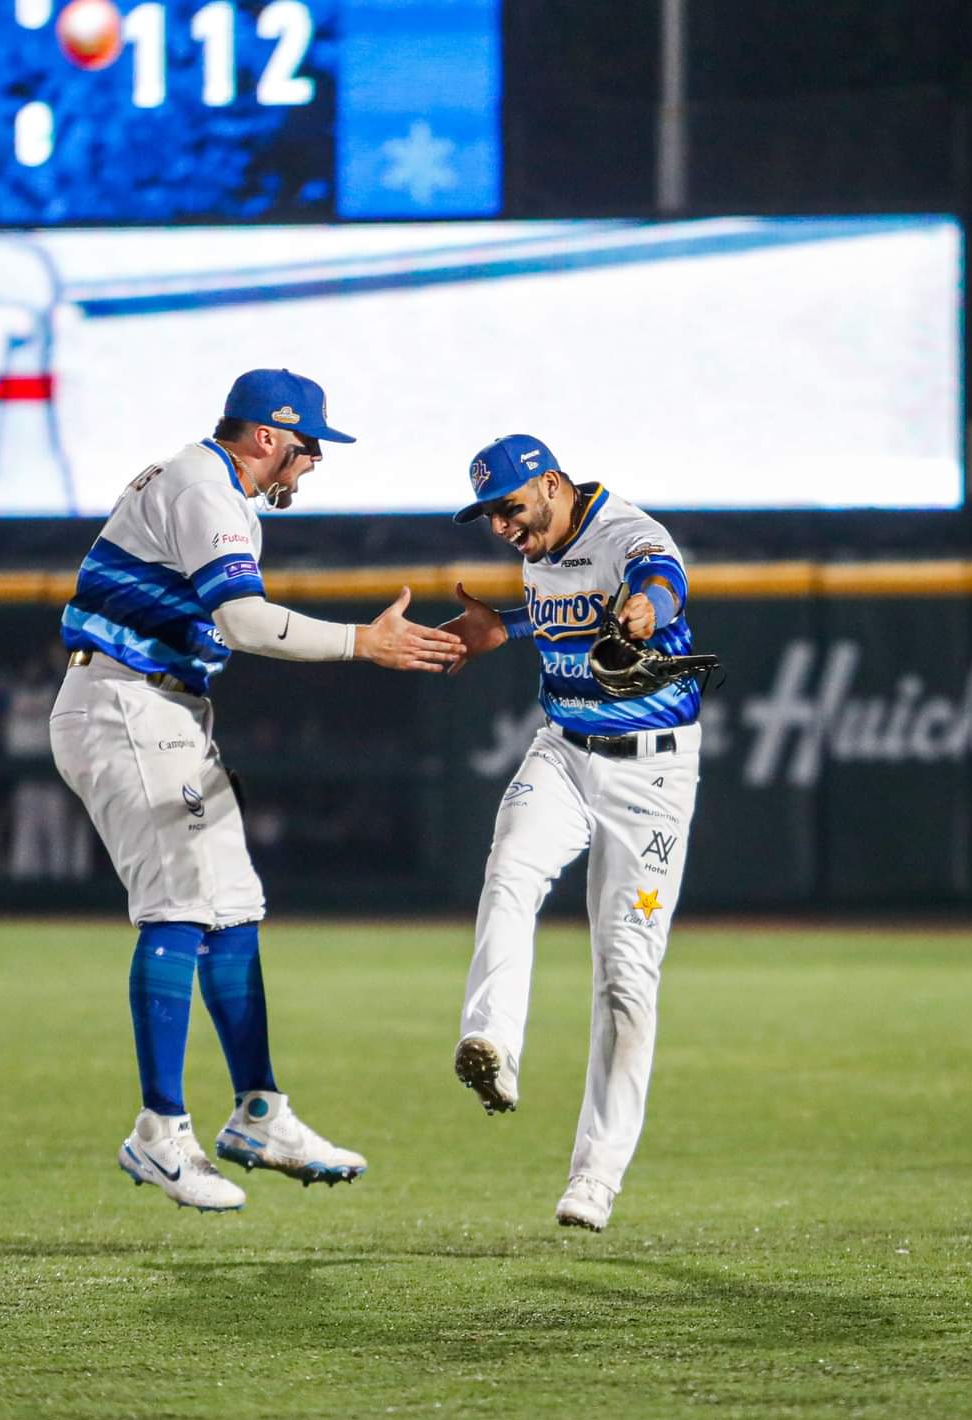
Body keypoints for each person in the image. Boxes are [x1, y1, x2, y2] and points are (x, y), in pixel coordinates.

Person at [49, 368, 463, 1214]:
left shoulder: (207, 485)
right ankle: (160, 1132)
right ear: (267, 436)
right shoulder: (207, 487)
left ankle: (258, 1112)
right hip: (125, 702)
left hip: (158, 703)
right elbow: (241, 621)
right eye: (307, 447)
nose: (310, 465)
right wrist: (362, 644)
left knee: (232, 903)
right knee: (178, 908)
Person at [441, 434, 704, 1233]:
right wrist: (510, 629)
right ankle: (491, 1046)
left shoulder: (624, 531)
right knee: (510, 870)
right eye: (490, 514)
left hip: (650, 777)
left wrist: (643, 611)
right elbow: (563, 613)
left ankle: (596, 1177)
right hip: (562, 751)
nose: (502, 528)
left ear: (552, 484)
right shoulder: (541, 540)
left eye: (511, 508)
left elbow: (661, 579)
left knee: (625, 972)